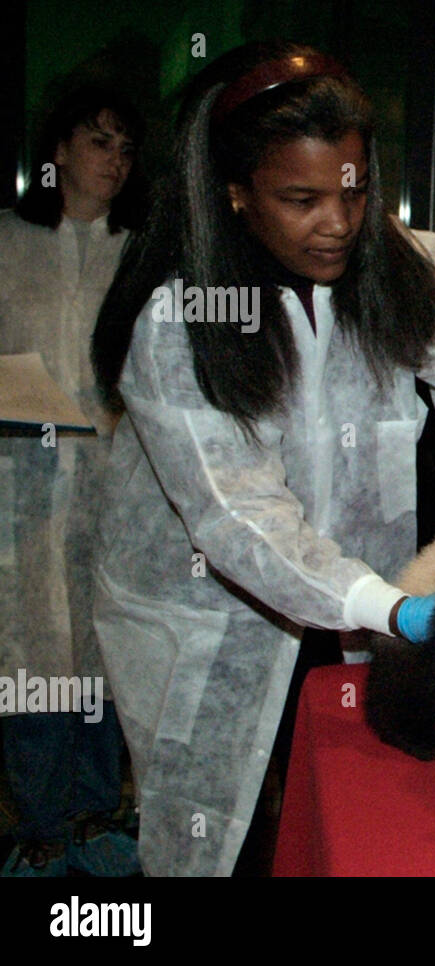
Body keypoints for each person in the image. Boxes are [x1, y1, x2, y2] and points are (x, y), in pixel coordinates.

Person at [90, 42, 435, 876]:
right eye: (301, 198)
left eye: (354, 189)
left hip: (360, 608)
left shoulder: (406, 268)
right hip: (210, 612)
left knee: (353, 822)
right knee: (216, 837)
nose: (338, 221)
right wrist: (394, 610)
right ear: (236, 194)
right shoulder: (182, 319)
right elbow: (237, 514)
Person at [0, 85, 146, 876]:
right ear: (57, 151)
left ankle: (96, 812)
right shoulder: (6, 243)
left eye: (125, 149)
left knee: (99, 649)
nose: (114, 162)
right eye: (99, 142)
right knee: (26, 653)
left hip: (111, 485)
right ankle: (39, 821)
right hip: (17, 482)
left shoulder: (138, 258)